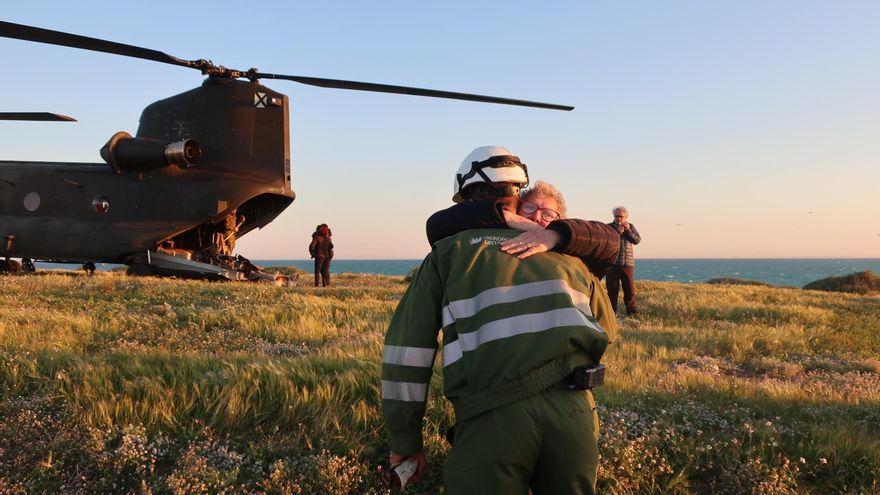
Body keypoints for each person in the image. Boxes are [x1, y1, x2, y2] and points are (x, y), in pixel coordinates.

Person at [382, 146, 615, 493]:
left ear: (466, 197)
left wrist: (405, 440)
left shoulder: (449, 252)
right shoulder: (570, 258)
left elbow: (406, 354)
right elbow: (607, 329)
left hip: (492, 421)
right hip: (577, 414)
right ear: (518, 195)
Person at [426, 172, 619, 281]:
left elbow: (611, 241)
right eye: (529, 207)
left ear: (561, 218)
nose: (536, 217)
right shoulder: (497, 239)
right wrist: (503, 216)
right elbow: (437, 225)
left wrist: (556, 235)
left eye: (547, 214)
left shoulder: (571, 250)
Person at [607, 206, 641, 315]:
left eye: (621, 216)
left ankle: (631, 313)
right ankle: (611, 314)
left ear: (626, 217)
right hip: (612, 264)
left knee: (630, 291)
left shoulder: (631, 227)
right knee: (612, 291)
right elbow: (607, 241)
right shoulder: (608, 227)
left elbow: (637, 240)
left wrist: (628, 231)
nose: (618, 219)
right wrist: (617, 232)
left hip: (627, 264)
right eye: (616, 216)